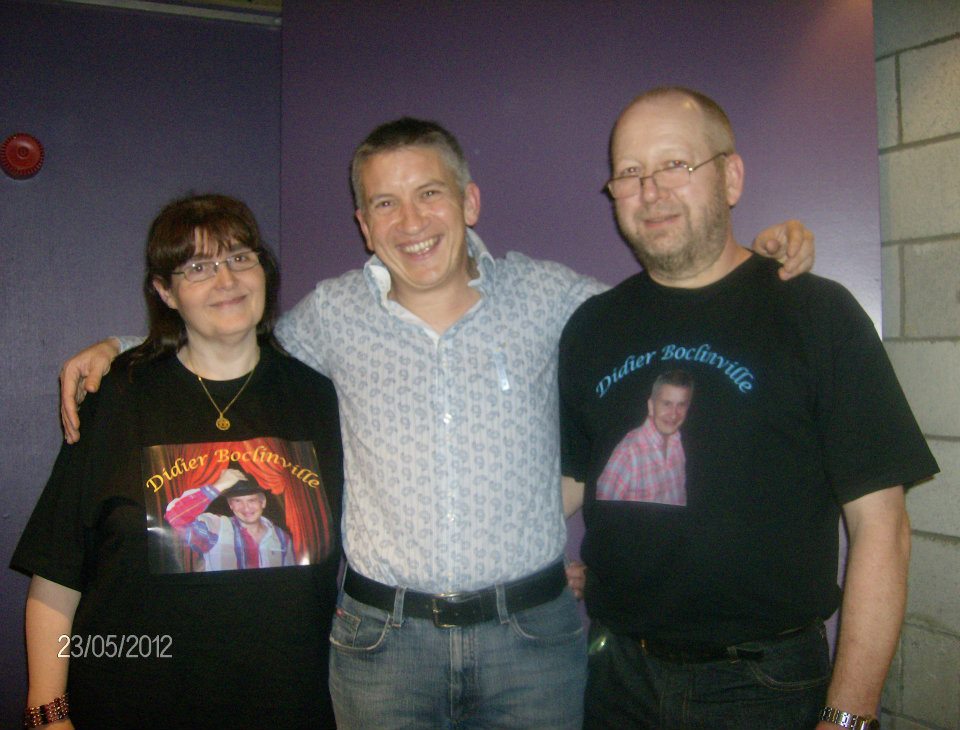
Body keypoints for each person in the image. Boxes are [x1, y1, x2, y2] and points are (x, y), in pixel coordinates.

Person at [56, 119, 815, 729]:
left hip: (533, 642)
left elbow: (666, 302)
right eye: (385, 203)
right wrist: (120, 349)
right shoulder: (333, 313)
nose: (410, 221)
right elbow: (229, 338)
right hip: (381, 645)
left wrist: (753, 257)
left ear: (470, 201)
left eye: (430, 194)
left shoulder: (552, 297)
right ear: (363, 224)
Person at [558, 87, 939, 730]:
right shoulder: (592, 326)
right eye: (629, 173)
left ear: (730, 177)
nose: (650, 190)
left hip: (764, 685)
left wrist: (848, 718)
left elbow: (883, 529)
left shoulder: (815, 313)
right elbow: (569, 483)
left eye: (675, 164)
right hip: (614, 673)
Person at [12, 194, 343, 729]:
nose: (226, 280)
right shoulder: (116, 396)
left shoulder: (319, 398)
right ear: (165, 291)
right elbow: (56, 574)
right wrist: (46, 714)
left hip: (290, 707)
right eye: (198, 267)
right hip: (132, 703)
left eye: (240, 257)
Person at [164, 467, 296, 571]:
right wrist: (217, 486)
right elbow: (175, 517)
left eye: (252, 500)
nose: (246, 508)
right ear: (230, 505)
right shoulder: (216, 528)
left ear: (263, 502)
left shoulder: (281, 537)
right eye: (238, 501)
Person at [596, 369, 692, 505]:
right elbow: (602, 511)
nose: (673, 414)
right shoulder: (628, 452)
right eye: (667, 404)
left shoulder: (677, 443)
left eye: (681, 405)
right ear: (651, 406)